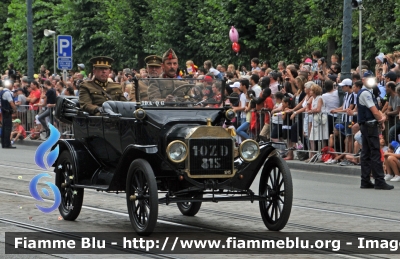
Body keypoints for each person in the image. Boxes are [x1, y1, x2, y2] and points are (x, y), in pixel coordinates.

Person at [357, 77, 394, 189]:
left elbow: (375, 110)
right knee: (374, 153)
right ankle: (379, 181)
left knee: (367, 153)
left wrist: (379, 121)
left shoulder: (369, 92)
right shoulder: (366, 93)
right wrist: (381, 119)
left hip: (368, 125)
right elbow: (374, 110)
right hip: (369, 125)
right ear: (363, 80)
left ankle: (365, 180)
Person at [1, 80, 17, 148]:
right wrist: (15, 109)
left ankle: (4, 143)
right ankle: (7, 144)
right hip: (7, 112)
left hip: (4, 112)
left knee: (4, 127)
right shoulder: (7, 93)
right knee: (7, 128)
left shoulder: (2, 92)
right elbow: (11, 102)